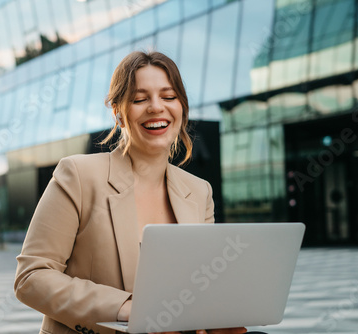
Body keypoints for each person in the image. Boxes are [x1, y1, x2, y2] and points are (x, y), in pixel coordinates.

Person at [14, 51, 248, 334]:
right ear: (118, 113)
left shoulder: (199, 192)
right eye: (140, 99)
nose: (156, 107)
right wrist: (126, 309)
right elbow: (32, 277)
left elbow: (199, 284)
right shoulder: (77, 175)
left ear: (182, 108)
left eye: (169, 96)